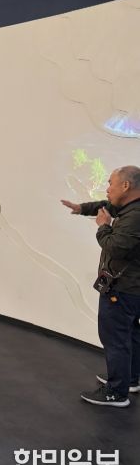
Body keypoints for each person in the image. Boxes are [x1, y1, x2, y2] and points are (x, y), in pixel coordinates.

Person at [62, 165, 140, 407]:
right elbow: (106, 205)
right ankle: (130, 379)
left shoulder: (135, 216)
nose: (107, 189)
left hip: (123, 289)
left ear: (126, 186)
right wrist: (82, 208)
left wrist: (103, 226)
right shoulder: (130, 207)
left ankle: (116, 392)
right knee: (131, 334)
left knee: (115, 338)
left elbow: (115, 247)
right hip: (132, 288)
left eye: (110, 183)